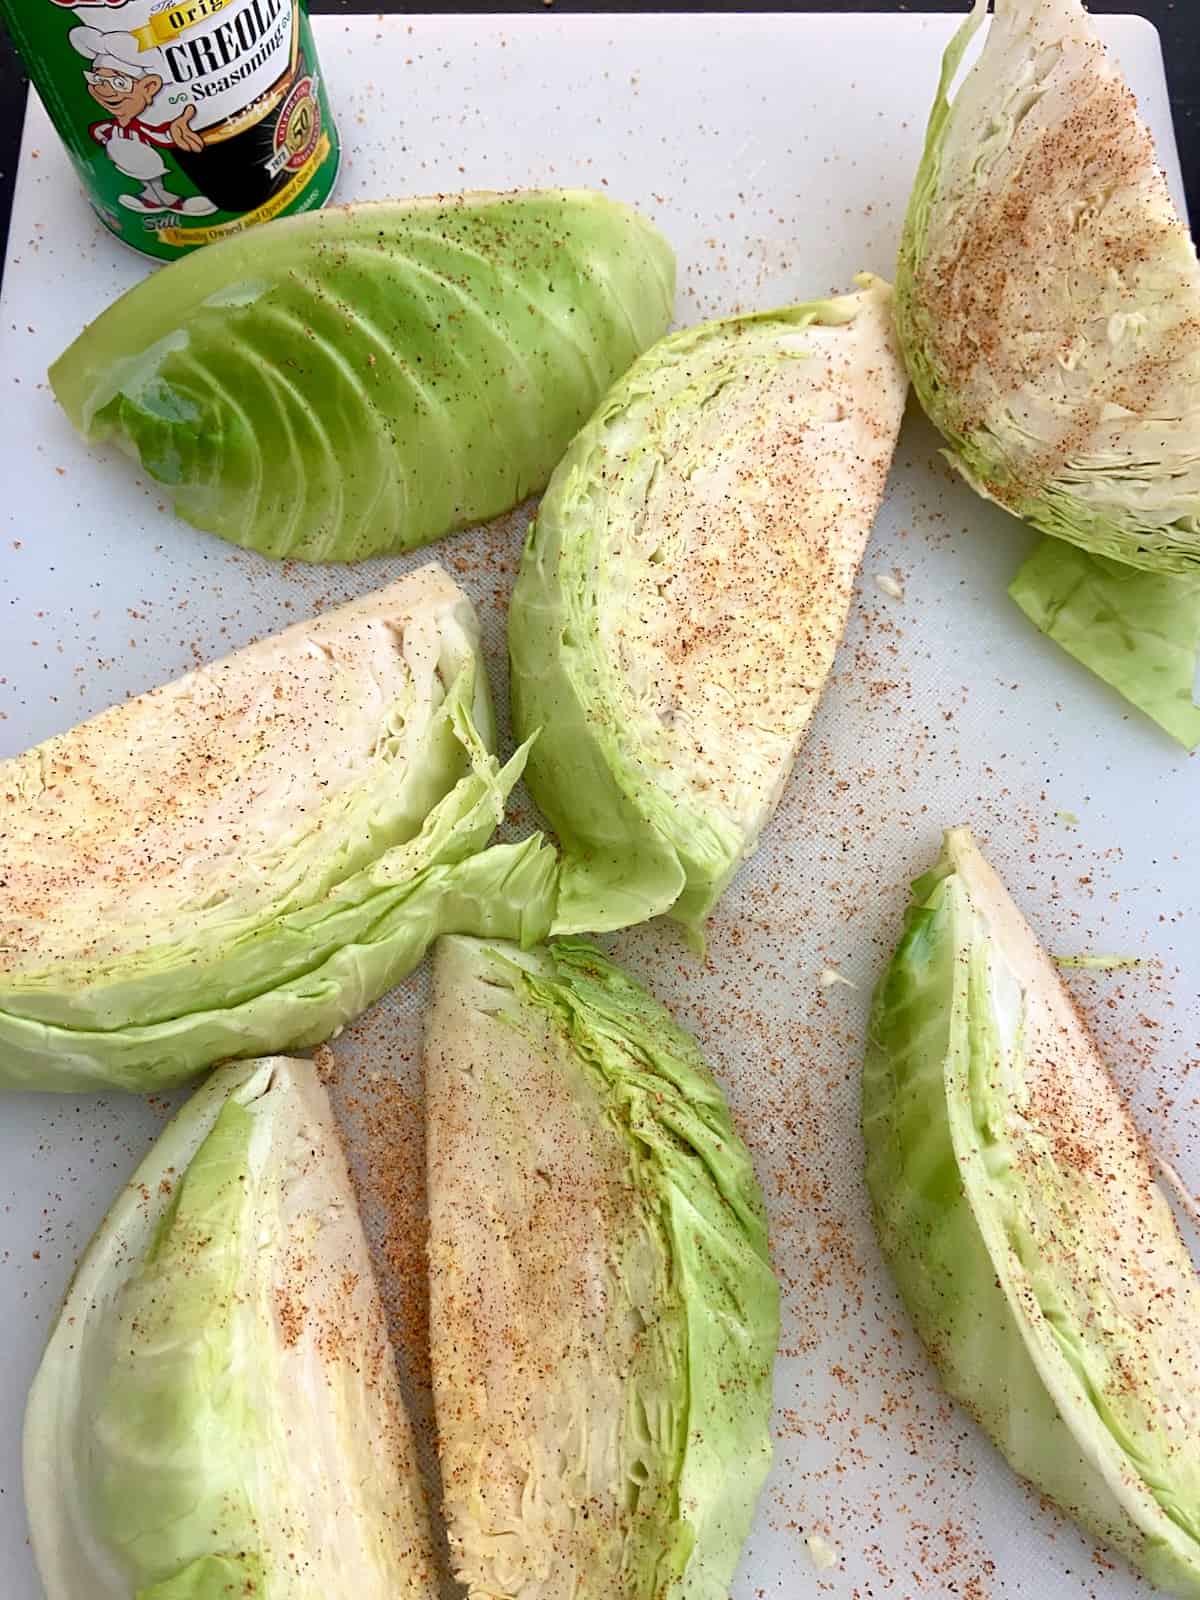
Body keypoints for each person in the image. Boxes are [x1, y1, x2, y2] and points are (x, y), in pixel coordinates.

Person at [70, 29, 217, 216]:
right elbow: (99, 133)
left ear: (149, 87)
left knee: (151, 173)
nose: (105, 90)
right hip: (124, 163)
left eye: (119, 83)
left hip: (147, 159)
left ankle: (174, 202)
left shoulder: (143, 127)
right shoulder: (111, 127)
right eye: (97, 80)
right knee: (144, 178)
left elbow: (160, 134)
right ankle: (151, 200)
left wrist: (176, 127)